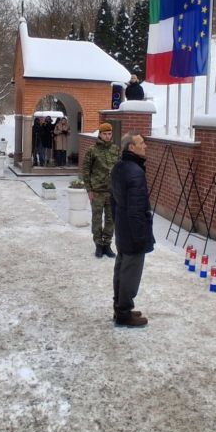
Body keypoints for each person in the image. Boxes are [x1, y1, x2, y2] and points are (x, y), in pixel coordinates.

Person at [109, 132, 154, 327]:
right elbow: (136, 209)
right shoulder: (135, 172)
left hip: (123, 228)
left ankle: (120, 307)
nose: (145, 146)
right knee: (130, 272)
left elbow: (113, 201)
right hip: (132, 231)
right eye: (141, 143)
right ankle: (124, 313)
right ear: (131, 148)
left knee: (121, 267)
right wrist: (140, 237)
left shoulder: (119, 168)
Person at [82, 122, 119, 258]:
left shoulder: (116, 149)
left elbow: (119, 169)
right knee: (97, 219)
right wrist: (89, 189)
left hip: (112, 192)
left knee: (111, 220)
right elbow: (86, 170)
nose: (107, 136)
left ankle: (107, 244)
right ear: (100, 134)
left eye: (109, 134)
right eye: (105, 134)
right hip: (97, 191)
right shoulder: (92, 150)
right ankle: (98, 245)